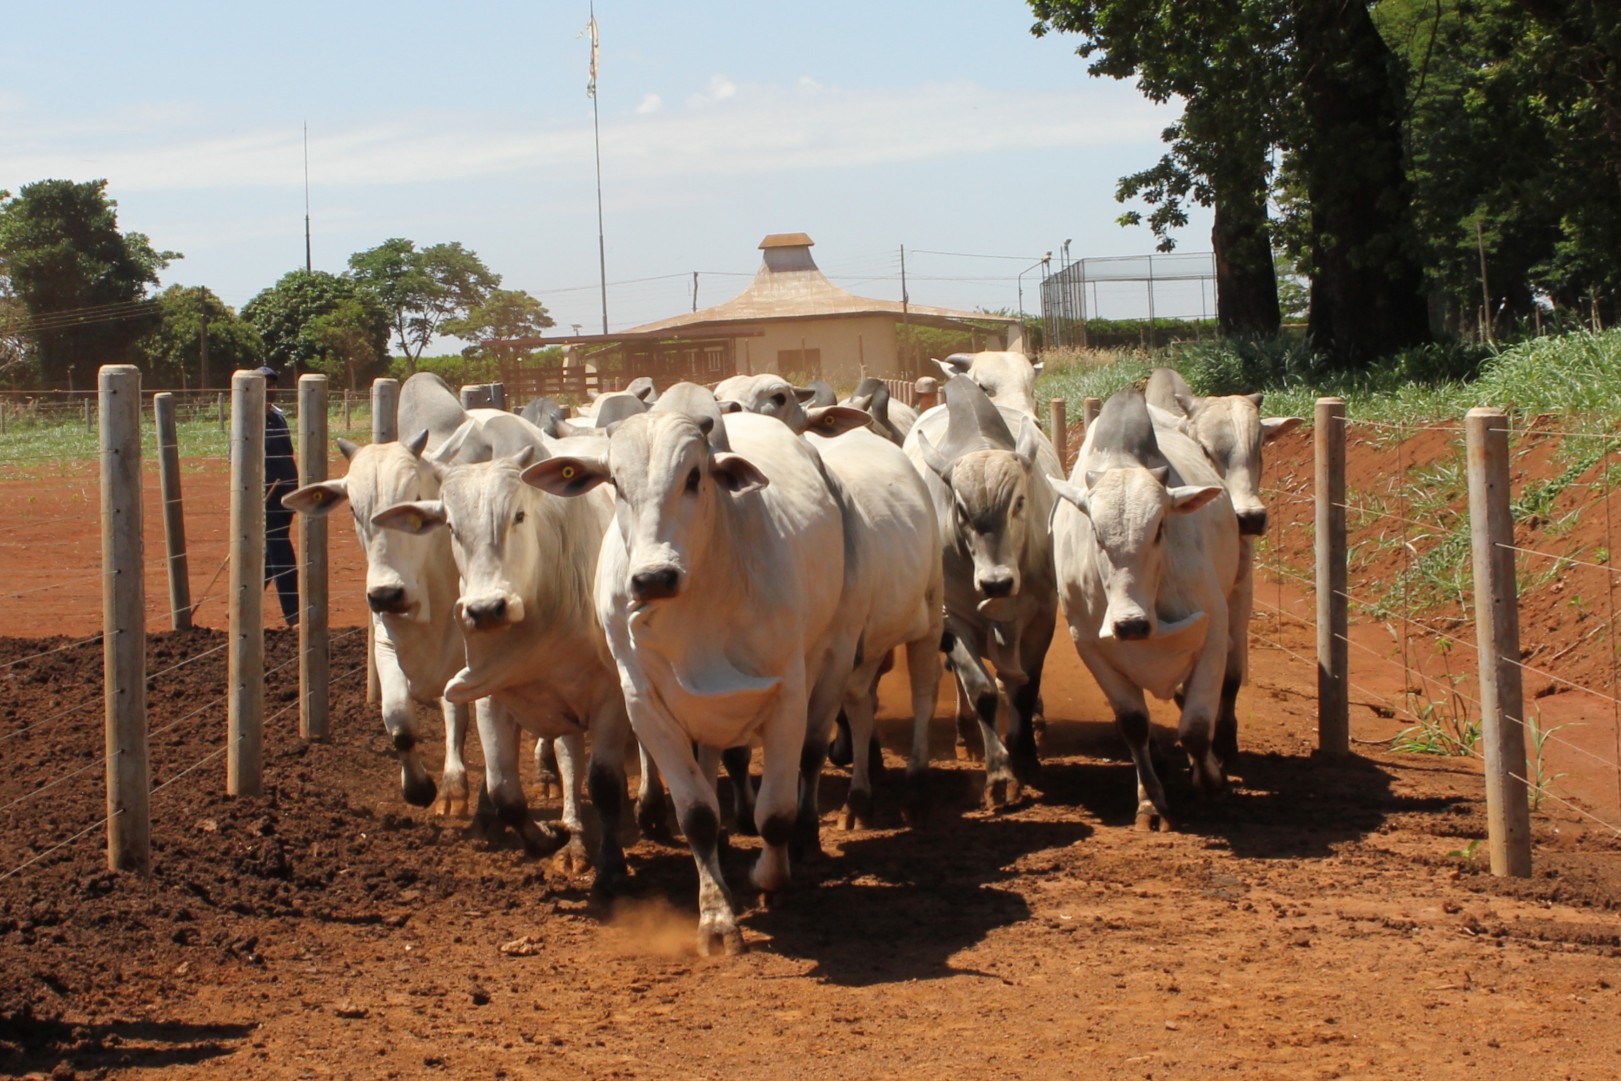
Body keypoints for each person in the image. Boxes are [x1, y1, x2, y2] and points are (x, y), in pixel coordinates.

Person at [258, 366, 300, 628]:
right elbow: (235, 459)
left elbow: (288, 452)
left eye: (273, 384)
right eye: (265, 385)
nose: (270, 389)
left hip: (287, 494)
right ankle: (294, 616)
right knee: (282, 552)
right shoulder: (248, 420)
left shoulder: (278, 417)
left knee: (270, 555)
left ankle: (242, 600)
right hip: (266, 496)